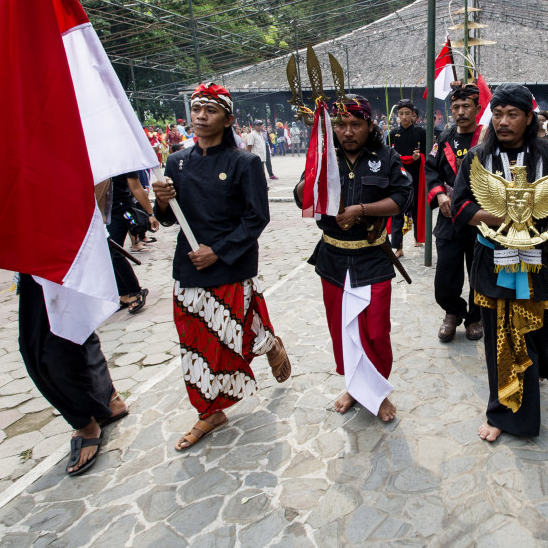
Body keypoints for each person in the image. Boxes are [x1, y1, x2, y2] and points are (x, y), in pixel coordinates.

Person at [0, 210, 128, 476]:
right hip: (51, 245)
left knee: (47, 350)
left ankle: (86, 423)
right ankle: (109, 401)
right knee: (72, 330)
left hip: (55, 242)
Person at [153, 83, 291, 452]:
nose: (200, 116)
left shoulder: (244, 163)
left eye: (210, 110)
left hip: (230, 265)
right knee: (196, 345)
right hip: (189, 269)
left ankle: (268, 344)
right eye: (197, 109)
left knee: (232, 341)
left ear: (228, 119)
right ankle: (210, 411)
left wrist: (217, 252)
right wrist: (162, 201)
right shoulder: (176, 162)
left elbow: (256, 217)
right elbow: (167, 219)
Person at [451, 84, 548, 442]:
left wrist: (534, 204)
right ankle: (504, 412)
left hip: (539, 257)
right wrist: (502, 215)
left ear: (529, 117)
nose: (503, 122)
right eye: (497, 114)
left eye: (512, 115)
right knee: (500, 334)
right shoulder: (476, 158)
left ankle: (536, 366)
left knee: (536, 330)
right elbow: (460, 207)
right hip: (493, 259)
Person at [294, 96, 411, 422]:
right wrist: (316, 174)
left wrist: (362, 210)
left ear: (370, 125)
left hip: (372, 258)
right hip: (332, 259)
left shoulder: (385, 157)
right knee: (343, 331)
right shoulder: (323, 156)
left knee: (376, 331)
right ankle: (355, 387)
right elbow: (300, 197)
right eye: (341, 125)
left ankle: (378, 391)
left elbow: (402, 197)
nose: (347, 132)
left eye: (356, 124)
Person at [425, 82, 485, 343]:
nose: (460, 112)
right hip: (449, 218)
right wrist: (439, 193)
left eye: (466, 106)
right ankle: (453, 312)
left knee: (479, 272)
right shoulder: (444, 138)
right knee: (445, 276)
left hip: (480, 218)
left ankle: (474, 318)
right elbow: (431, 169)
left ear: (477, 109)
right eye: (456, 107)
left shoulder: (487, 138)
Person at [106, 171, 157, 313]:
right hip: (101, 212)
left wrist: (151, 214)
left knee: (116, 251)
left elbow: (136, 188)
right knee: (107, 254)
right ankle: (124, 294)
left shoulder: (123, 162)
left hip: (120, 210)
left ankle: (135, 291)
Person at [388, 99, 426, 257]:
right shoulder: (392, 134)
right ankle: (398, 247)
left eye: (407, 113)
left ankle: (418, 237)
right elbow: (388, 156)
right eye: (401, 114)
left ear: (413, 115)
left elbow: (429, 154)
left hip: (416, 175)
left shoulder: (421, 132)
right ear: (397, 115)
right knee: (397, 211)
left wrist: (420, 156)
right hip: (399, 177)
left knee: (416, 208)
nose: (404, 117)